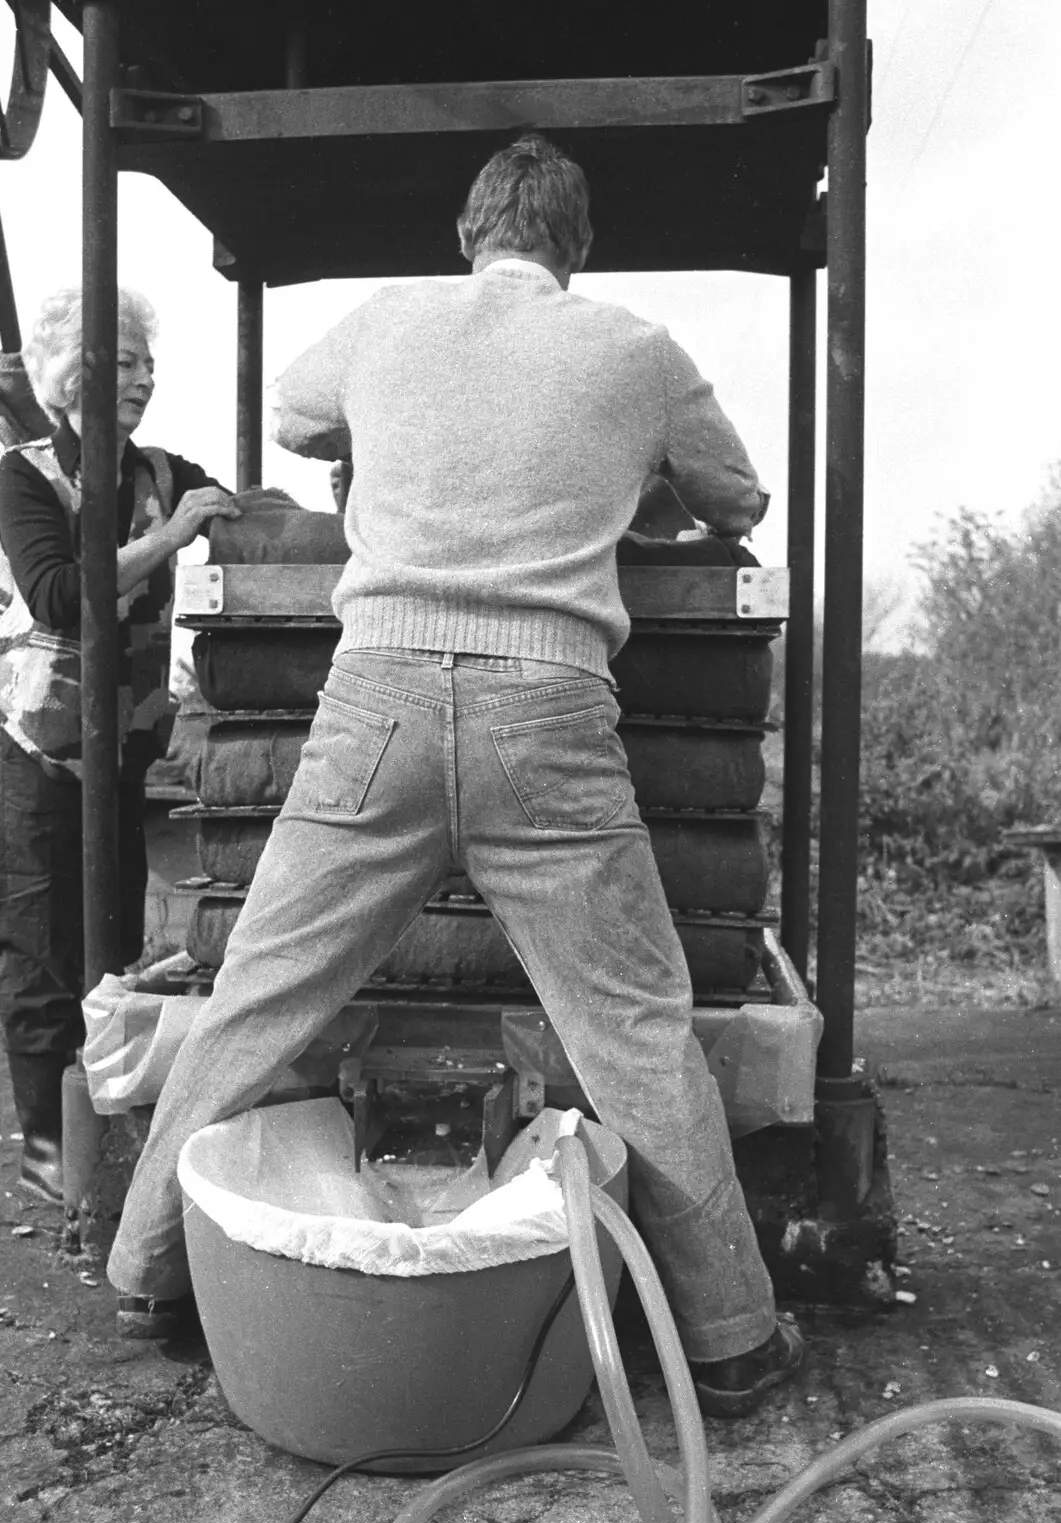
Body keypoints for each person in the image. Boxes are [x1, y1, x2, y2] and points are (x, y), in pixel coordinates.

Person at [106, 135, 804, 1417]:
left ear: (470, 236)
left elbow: (293, 416)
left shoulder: (387, 321)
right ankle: (732, 1340)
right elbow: (739, 495)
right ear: (575, 248)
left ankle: (149, 1271)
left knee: (259, 991)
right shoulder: (636, 349)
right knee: (635, 1028)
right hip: (549, 711)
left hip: (371, 699)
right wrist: (626, 472)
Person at [0, 287, 240, 1204]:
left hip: (125, 754)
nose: (144, 377)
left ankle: (100, 1149)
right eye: (124, 363)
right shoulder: (21, 476)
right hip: (36, 751)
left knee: (114, 954)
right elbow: (61, 594)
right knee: (40, 960)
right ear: (71, 378)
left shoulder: (160, 474)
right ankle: (49, 1164)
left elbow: (238, 507)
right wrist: (175, 537)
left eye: (146, 363)